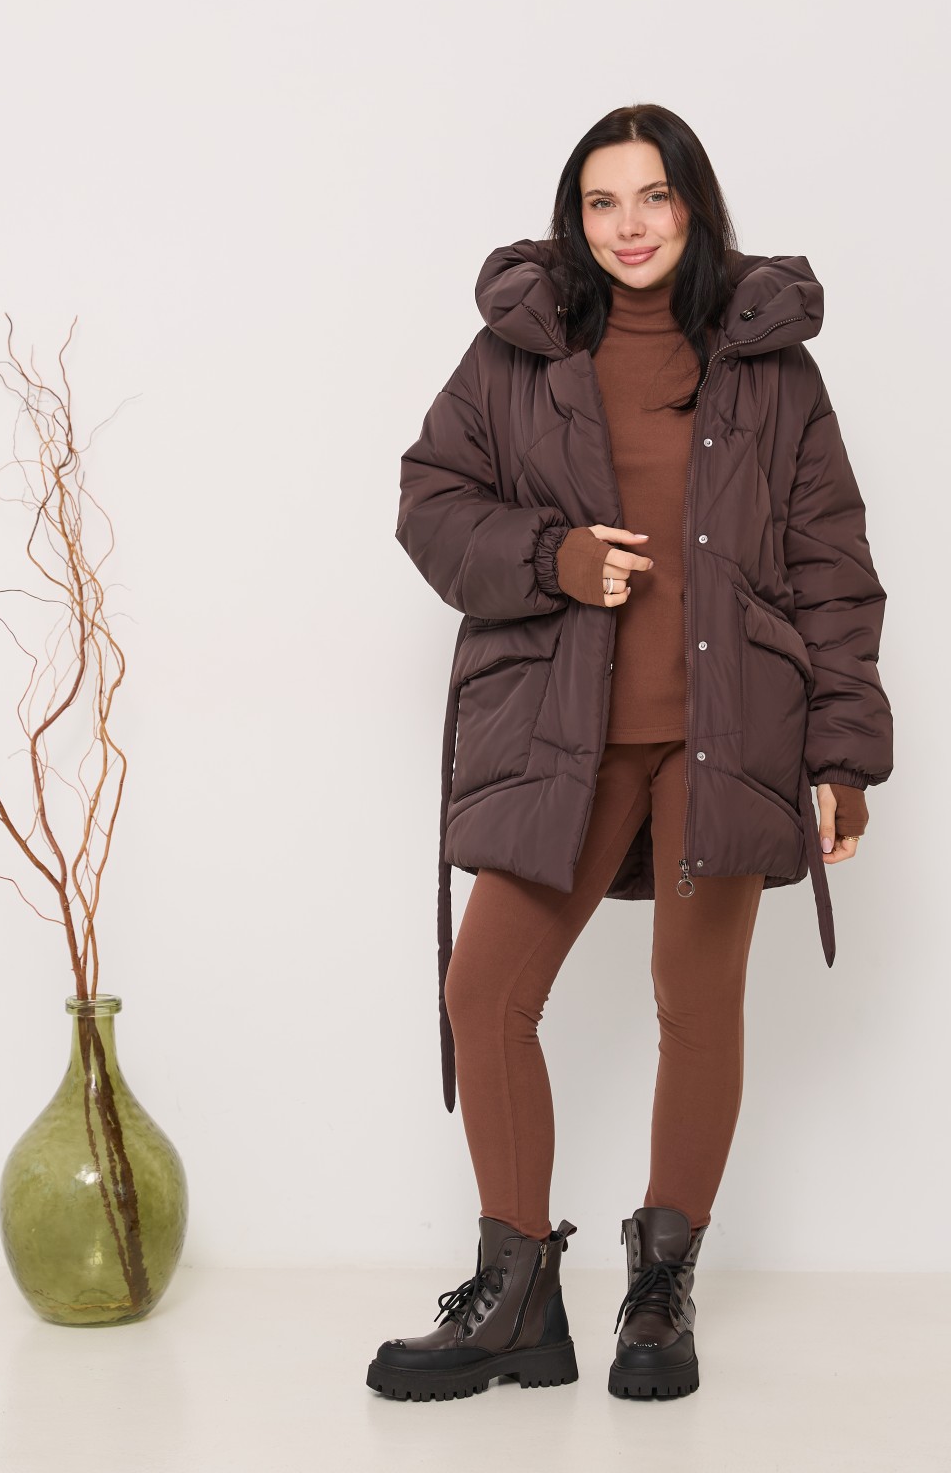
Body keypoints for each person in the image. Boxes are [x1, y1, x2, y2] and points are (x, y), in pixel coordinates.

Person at [366, 103, 893, 1405]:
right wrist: (551, 557)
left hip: (730, 737)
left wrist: (842, 756)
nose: (630, 226)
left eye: (653, 197)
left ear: (693, 205)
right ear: (576, 219)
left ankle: (660, 1289)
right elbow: (432, 501)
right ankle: (515, 1298)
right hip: (567, 730)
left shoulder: (768, 364)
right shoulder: (518, 350)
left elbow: (832, 563)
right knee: (488, 993)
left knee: (695, 1004)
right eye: (602, 203)